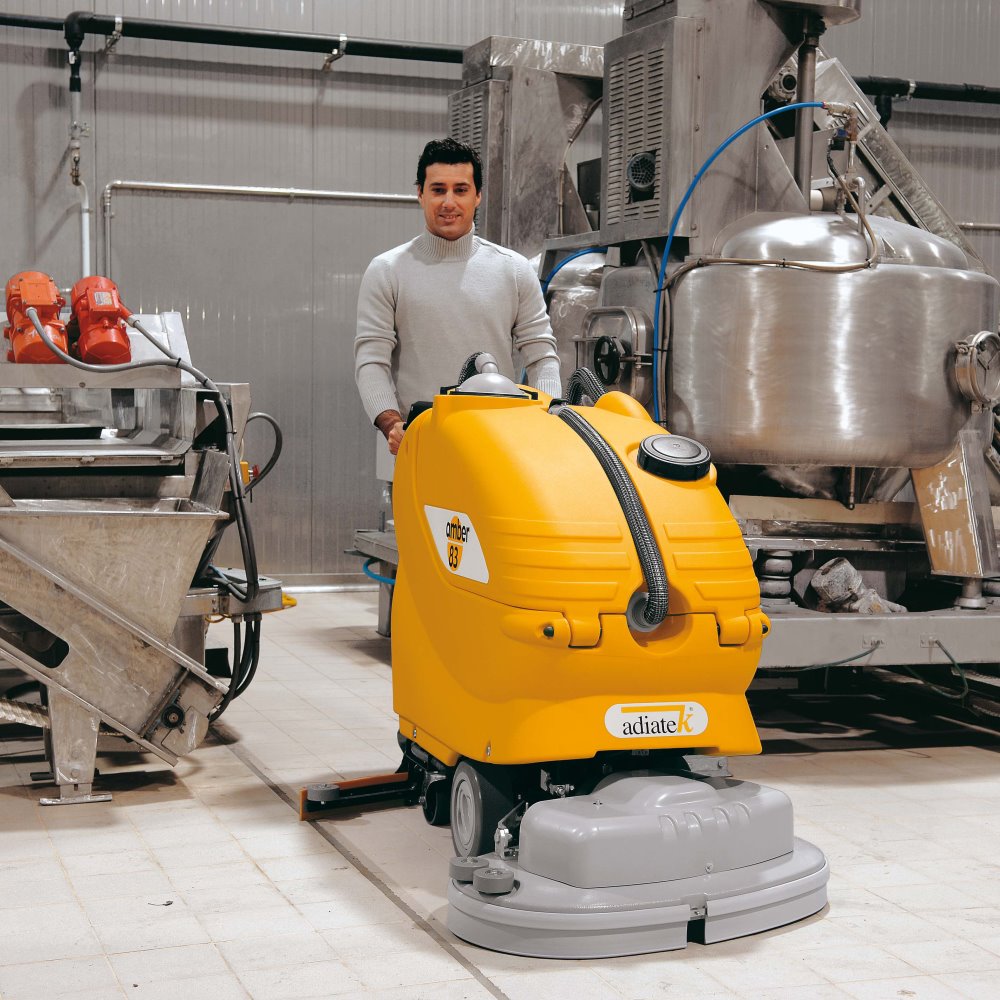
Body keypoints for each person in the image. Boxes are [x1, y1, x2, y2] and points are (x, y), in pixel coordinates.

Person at [354, 138, 562, 455]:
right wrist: (391, 423)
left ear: (478, 196)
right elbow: (371, 361)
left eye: (460, 190)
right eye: (438, 190)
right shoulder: (387, 271)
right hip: (421, 444)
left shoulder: (514, 270)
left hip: (500, 445)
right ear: (420, 194)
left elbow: (541, 355)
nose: (449, 201)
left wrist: (547, 417)